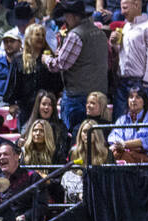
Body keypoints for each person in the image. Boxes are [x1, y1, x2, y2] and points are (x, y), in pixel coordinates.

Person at [43, 0, 107, 133]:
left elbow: (60, 64)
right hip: (99, 93)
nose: (65, 20)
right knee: (96, 135)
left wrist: (46, 59)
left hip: (77, 94)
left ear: (71, 16)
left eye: (66, 16)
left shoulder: (75, 35)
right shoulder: (99, 33)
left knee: (74, 134)